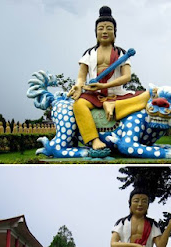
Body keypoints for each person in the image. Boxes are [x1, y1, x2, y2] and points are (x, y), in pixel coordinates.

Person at [68, 6, 149, 150]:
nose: (104, 31)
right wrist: (78, 86)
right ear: (96, 32)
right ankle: (94, 140)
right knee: (78, 105)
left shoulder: (121, 53)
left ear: (115, 32)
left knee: (147, 96)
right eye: (101, 28)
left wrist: (105, 86)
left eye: (109, 28)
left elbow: (127, 77)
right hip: (95, 94)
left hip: (117, 94)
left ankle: (113, 105)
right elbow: (81, 76)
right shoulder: (89, 53)